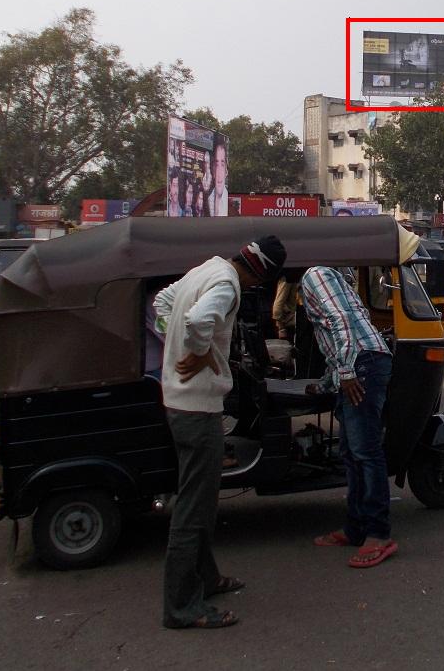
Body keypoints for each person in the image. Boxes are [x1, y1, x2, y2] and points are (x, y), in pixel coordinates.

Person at [158, 235, 286, 630]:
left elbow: (163, 303)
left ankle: (207, 579)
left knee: (198, 502)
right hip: (197, 411)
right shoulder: (229, 284)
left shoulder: (207, 267)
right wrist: (196, 352)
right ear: (260, 275)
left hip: (178, 404)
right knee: (193, 512)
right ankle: (182, 608)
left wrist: (177, 344)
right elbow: (198, 321)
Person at [295, 265, 398, 569]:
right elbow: (338, 331)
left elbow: (341, 322)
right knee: (351, 454)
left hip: (363, 363)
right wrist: (329, 381)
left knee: (365, 452)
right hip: (361, 362)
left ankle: (379, 535)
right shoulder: (326, 276)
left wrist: (346, 371)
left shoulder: (314, 274)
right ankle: (356, 528)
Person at [209, 141, 230, 217]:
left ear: (226, 172)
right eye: (217, 165)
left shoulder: (229, 203)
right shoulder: (207, 202)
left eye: (222, 164)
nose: (219, 172)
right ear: (213, 171)